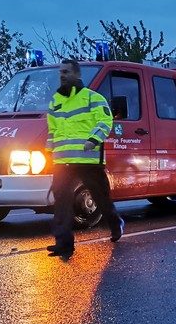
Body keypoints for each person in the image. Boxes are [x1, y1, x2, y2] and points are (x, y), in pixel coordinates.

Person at [46, 59, 124, 259]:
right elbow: (53, 129)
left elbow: (105, 121)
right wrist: (49, 146)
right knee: (61, 201)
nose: (62, 75)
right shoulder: (56, 101)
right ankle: (63, 244)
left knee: (101, 198)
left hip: (88, 160)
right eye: (60, 72)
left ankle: (115, 224)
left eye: (66, 72)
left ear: (77, 75)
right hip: (63, 162)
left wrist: (94, 139)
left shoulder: (92, 98)